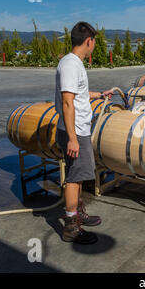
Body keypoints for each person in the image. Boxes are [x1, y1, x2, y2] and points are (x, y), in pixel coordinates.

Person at [55, 22, 113, 245]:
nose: (94, 46)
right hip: (75, 132)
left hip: (78, 130)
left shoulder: (73, 63)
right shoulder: (71, 65)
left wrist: (98, 95)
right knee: (74, 178)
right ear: (88, 40)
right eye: (94, 42)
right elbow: (67, 102)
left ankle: (78, 214)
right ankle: (71, 228)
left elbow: (77, 95)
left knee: (78, 177)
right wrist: (72, 138)